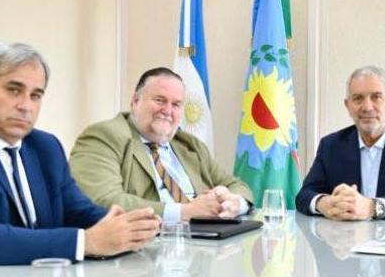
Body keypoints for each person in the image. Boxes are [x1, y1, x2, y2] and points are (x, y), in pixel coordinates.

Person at [0, 43, 160, 277]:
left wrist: (117, 223)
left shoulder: (44, 146)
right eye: (14, 90)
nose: (26, 105)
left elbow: (76, 210)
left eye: (36, 95)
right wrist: (87, 241)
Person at [69, 67, 252, 224]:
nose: (167, 111)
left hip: (204, 243)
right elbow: (101, 201)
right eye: (159, 100)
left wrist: (234, 203)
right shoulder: (104, 136)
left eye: (176, 104)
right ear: (135, 101)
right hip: (145, 251)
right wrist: (185, 212)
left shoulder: (189, 145)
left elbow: (237, 185)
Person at [296, 66, 385, 220]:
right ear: (348, 106)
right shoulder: (331, 146)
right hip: (343, 240)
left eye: (376, 97)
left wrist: (371, 207)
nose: (367, 107)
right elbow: (304, 195)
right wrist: (323, 203)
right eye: (358, 98)